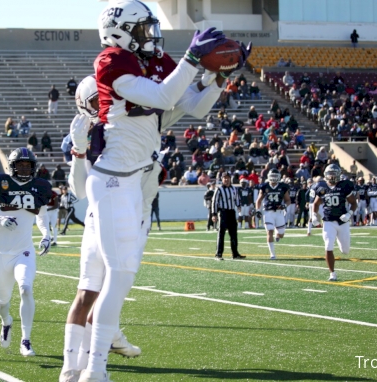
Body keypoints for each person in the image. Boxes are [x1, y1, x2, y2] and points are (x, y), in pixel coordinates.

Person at [67, 6, 246, 376]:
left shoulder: (155, 60)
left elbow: (191, 107)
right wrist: (194, 59)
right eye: (144, 28)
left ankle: (89, 365)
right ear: (120, 31)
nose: (151, 34)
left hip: (136, 180)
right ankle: (92, 369)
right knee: (117, 272)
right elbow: (165, 97)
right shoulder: (111, 60)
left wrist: (219, 78)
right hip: (114, 177)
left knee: (123, 273)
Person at [0, 148, 52, 357]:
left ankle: (25, 340)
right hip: (1, 254)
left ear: (33, 167)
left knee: (26, 289)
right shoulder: (0, 184)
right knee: (3, 302)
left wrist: (46, 234)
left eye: (28, 165)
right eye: (21, 165)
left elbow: (42, 216)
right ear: (12, 166)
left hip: (24, 251)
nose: (25, 168)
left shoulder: (39, 188)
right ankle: (6, 322)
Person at [312, 164, 357, 281]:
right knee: (328, 246)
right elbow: (316, 204)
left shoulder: (344, 186)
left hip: (342, 222)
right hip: (328, 221)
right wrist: (314, 215)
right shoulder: (321, 187)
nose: (331, 176)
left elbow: (354, 203)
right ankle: (332, 273)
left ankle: (338, 238)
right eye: (329, 174)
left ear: (338, 175)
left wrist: (349, 214)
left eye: (333, 174)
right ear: (326, 175)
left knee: (345, 251)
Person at [255, 169, 291, 259]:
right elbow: (259, 200)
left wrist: (284, 205)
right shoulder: (264, 186)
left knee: (281, 234)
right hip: (268, 212)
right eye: (272, 176)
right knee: (269, 232)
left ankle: (277, 234)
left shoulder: (283, 186)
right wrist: (258, 210)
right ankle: (272, 254)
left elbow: (288, 200)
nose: (274, 178)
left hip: (279, 213)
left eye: (276, 176)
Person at [211, 172, 244, 260]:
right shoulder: (219, 189)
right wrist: (214, 214)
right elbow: (215, 201)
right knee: (221, 234)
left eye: (228, 178)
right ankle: (218, 254)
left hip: (232, 212)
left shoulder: (234, 188)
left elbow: (237, 198)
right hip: (223, 213)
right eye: (224, 178)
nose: (226, 179)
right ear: (222, 179)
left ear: (230, 178)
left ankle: (235, 253)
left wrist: (239, 206)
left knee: (233, 234)